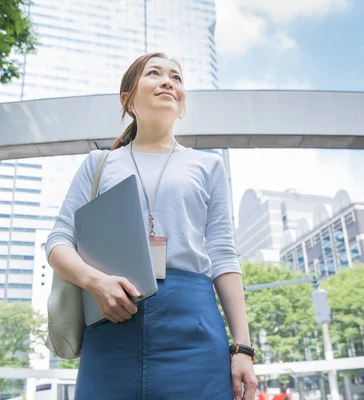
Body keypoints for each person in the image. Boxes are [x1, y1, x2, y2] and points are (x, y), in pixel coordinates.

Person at [46, 52, 258, 400]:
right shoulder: (99, 164)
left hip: (194, 327)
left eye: (176, 77)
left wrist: (243, 348)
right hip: (111, 319)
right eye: (154, 73)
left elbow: (222, 255)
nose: (168, 81)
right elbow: (58, 241)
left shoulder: (208, 166)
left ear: (183, 103)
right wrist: (94, 281)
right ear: (127, 99)